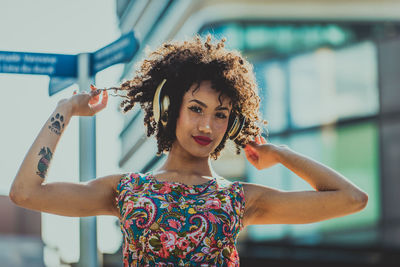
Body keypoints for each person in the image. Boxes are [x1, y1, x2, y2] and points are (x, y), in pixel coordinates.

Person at [9, 34, 368, 266]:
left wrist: (280, 153)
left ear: (233, 124)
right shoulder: (126, 190)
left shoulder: (240, 199)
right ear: (169, 108)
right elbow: (25, 193)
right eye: (196, 108)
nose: (207, 127)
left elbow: (352, 199)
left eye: (221, 115)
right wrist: (65, 110)